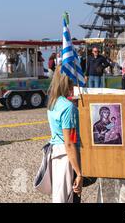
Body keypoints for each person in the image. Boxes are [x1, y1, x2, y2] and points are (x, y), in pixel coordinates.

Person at [47, 67, 82, 203]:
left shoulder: (53, 102)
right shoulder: (68, 108)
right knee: (70, 197)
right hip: (67, 157)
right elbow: (70, 142)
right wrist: (79, 173)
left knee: (59, 196)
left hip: (55, 153)